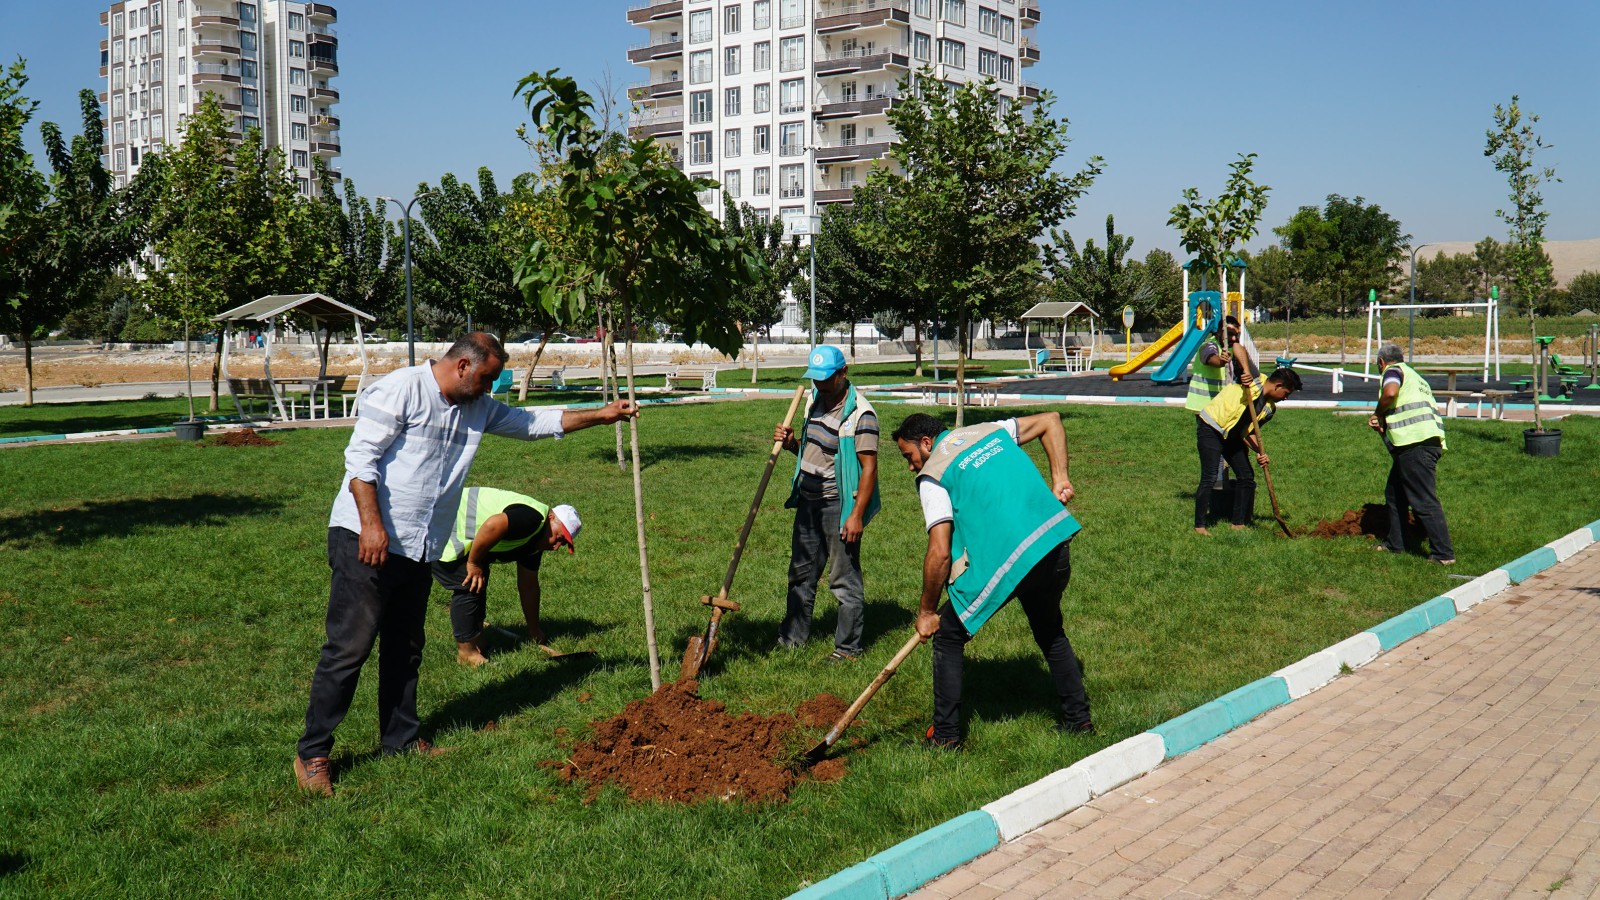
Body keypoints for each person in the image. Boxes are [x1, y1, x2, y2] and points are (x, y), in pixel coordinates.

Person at [294, 333, 636, 796]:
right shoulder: (402, 389)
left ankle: (400, 740)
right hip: (366, 538)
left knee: (405, 647)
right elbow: (360, 462)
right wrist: (372, 526)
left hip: (421, 544)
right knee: (349, 649)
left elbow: (532, 422)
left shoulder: (478, 406)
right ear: (461, 366)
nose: (490, 389)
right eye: (488, 378)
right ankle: (313, 753)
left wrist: (602, 414)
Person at [891, 411, 1090, 748]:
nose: (911, 466)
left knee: (948, 635)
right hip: (1053, 540)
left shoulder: (933, 474)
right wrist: (1060, 478)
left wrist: (926, 612)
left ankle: (946, 738)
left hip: (1012, 557)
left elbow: (939, 552)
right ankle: (1079, 720)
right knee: (1049, 630)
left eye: (908, 456)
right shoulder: (987, 431)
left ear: (926, 444)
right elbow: (1051, 421)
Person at [773, 345, 881, 661]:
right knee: (800, 575)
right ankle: (792, 639)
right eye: (816, 378)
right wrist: (792, 442)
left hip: (837, 506)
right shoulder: (814, 401)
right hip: (808, 503)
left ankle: (848, 649)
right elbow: (813, 451)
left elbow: (868, 468)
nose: (820, 384)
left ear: (843, 373)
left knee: (843, 581)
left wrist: (856, 515)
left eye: (826, 378)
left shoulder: (862, 415)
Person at [432, 488, 581, 667]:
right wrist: (473, 563)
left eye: (563, 544)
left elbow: (529, 586)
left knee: (479, 578)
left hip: (454, 523)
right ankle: (466, 652)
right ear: (551, 519)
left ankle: (477, 639)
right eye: (558, 537)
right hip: (442, 520)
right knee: (468, 581)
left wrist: (533, 630)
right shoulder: (532, 519)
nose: (556, 546)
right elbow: (492, 525)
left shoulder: (535, 543)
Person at [1369, 343, 1454, 564]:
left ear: (1381, 362)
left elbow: (1390, 392)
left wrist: (1378, 413)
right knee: (1395, 494)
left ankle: (1443, 553)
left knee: (1423, 499)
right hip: (1421, 442)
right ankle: (1396, 544)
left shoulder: (1393, 371)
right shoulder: (1416, 377)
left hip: (1416, 444)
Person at [1194, 367, 1303, 534]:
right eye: (1286, 393)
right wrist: (1245, 372)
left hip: (1233, 437)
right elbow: (1238, 347)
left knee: (1246, 477)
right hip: (1212, 428)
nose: (1286, 398)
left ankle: (1238, 523)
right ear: (1278, 385)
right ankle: (1200, 526)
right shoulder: (1254, 379)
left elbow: (1248, 433)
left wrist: (1260, 451)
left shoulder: (1269, 409)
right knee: (1209, 476)